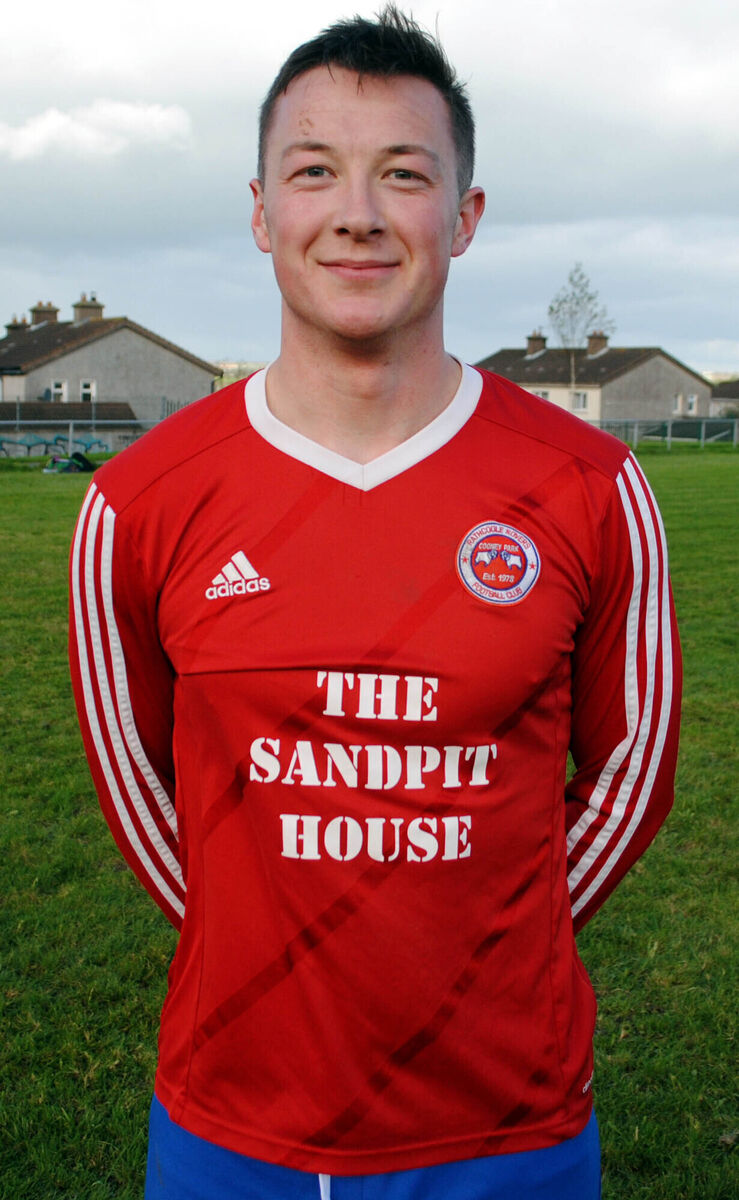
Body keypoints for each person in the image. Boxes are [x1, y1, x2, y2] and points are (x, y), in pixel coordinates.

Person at [69, 7, 681, 1198]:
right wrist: (270, 948)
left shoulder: (592, 485)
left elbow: (631, 772)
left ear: (463, 216)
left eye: (403, 174)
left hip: (512, 1128)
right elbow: (138, 785)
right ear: (261, 212)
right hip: (233, 1126)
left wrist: (480, 940)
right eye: (313, 172)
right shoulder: (139, 502)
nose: (357, 212)